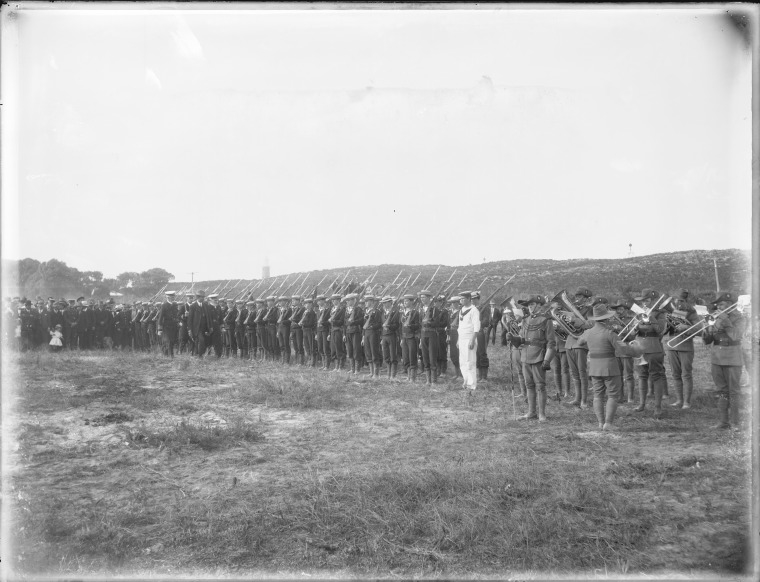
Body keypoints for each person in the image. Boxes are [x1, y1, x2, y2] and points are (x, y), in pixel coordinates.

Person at [576, 303, 644, 430]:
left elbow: (579, 342)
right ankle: (608, 423)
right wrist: (638, 350)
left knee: (597, 395)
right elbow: (624, 350)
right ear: (606, 319)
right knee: (613, 395)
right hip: (610, 368)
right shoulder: (610, 334)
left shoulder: (587, 332)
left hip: (594, 368)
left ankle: (601, 423)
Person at [508, 295, 556, 421]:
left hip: (539, 355)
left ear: (539, 305)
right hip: (525, 355)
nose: (529, 308)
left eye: (532, 305)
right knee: (529, 385)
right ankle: (531, 412)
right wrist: (513, 339)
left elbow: (551, 342)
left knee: (540, 385)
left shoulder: (546, 320)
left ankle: (542, 414)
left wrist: (547, 360)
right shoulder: (525, 319)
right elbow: (522, 339)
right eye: (528, 306)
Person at [702, 292, 746, 429]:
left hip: (733, 357)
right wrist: (707, 329)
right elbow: (707, 341)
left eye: (721, 304)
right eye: (718, 304)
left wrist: (726, 320)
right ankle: (723, 421)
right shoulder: (716, 317)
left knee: (733, 391)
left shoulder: (740, 318)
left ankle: (735, 423)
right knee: (721, 390)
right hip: (717, 357)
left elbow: (736, 336)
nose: (718, 307)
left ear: (730, 304)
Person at [630, 289, 668, 418]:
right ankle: (641, 404)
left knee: (656, 377)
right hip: (640, 347)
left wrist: (651, 317)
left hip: (653, 348)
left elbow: (660, 331)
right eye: (642, 301)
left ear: (654, 301)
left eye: (646, 300)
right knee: (642, 376)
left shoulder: (660, 314)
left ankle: (658, 407)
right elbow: (631, 334)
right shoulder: (638, 313)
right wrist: (635, 326)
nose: (644, 303)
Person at [663, 289, 701, 409]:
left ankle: (687, 402)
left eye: (681, 300)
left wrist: (686, 327)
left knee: (686, 375)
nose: (678, 302)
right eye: (676, 300)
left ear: (685, 300)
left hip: (685, 345)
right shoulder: (670, 311)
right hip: (672, 345)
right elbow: (663, 332)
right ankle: (679, 400)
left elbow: (700, 330)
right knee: (675, 374)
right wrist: (667, 324)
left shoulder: (691, 312)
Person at [565, 287, 595, 409]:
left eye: (580, 297)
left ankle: (584, 400)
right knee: (574, 373)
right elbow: (566, 325)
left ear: (587, 299)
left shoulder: (590, 310)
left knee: (582, 372)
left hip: (581, 343)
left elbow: (591, 324)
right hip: (570, 342)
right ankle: (577, 398)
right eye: (577, 296)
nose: (577, 299)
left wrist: (575, 320)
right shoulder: (572, 310)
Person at [457, 291, 480, 390]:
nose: (461, 300)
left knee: (470, 361)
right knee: (462, 362)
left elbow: (476, 327)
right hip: (462, 338)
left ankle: (472, 384)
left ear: (468, 299)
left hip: (469, 338)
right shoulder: (461, 310)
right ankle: (466, 381)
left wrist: (472, 340)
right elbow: (460, 326)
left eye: (463, 298)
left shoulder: (474, 310)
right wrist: (458, 339)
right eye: (460, 299)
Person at [418, 290, 440, 385]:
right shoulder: (421, 309)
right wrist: (420, 339)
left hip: (432, 334)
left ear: (429, 298)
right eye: (421, 297)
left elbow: (436, 323)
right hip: (423, 334)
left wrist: (428, 322)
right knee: (425, 356)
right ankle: (428, 380)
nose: (422, 299)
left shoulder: (435, 309)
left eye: (424, 297)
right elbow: (420, 324)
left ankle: (434, 380)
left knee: (432, 357)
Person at [400, 294, 420, 382]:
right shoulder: (403, 312)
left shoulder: (415, 312)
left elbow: (418, 325)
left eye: (407, 301)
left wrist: (410, 325)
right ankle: (408, 375)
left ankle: (412, 377)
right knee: (405, 357)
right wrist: (401, 338)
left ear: (412, 302)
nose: (405, 302)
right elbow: (401, 326)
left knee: (412, 356)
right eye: (404, 301)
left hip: (412, 336)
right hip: (404, 337)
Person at [187, 289, 212, 358]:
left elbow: (208, 317)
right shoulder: (193, 306)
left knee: (201, 341)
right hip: (196, 328)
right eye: (202, 297)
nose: (203, 298)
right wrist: (190, 329)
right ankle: (200, 355)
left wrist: (210, 327)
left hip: (205, 327)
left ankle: (197, 353)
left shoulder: (205, 305)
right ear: (198, 297)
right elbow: (190, 319)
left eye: (204, 297)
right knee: (201, 340)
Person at [362, 294, 382, 378]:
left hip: (373, 333)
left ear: (371, 302)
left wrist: (371, 327)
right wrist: (363, 336)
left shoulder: (376, 311)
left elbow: (379, 324)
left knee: (374, 352)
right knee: (368, 352)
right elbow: (364, 325)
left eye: (367, 301)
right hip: (366, 333)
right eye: (365, 301)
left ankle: (376, 373)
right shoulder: (365, 311)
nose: (366, 303)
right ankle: (371, 372)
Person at [344, 293, 364, 375]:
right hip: (348, 331)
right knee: (350, 350)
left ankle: (357, 369)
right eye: (347, 301)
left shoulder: (358, 309)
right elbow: (344, 321)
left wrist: (353, 322)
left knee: (356, 350)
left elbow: (361, 320)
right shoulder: (346, 310)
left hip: (356, 331)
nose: (348, 302)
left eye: (349, 300)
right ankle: (352, 368)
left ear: (353, 300)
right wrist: (344, 333)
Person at [380, 295, 400, 379]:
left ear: (390, 302)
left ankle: (393, 375)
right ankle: (388, 373)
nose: (384, 304)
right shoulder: (383, 312)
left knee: (393, 355)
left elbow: (397, 325)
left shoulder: (395, 311)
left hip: (392, 334)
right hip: (384, 335)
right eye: (383, 303)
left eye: (385, 303)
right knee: (386, 355)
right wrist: (381, 337)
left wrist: (389, 326)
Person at [471, 291, 490, 381]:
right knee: (475, 353)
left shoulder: (484, 307)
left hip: (480, 332)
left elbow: (486, 321)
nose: (472, 301)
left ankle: (484, 376)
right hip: (472, 333)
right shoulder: (471, 309)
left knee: (482, 353)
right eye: (471, 299)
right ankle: (479, 375)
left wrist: (476, 324)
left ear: (478, 299)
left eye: (474, 299)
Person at [157, 290, 179, 358]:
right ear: (168, 298)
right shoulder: (164, 305)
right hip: (166, 326)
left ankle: (166, 353)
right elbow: (160, 318)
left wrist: (178, 321)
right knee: (169, 341)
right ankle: (171, 355)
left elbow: (177, 315)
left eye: (173, 297)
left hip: (174, 326)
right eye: (172, 297)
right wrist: (159, 329)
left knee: (172, 341)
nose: (173, 298)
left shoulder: (175, 305)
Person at [328, 293, 346, 371]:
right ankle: (336, 366)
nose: (333, 301)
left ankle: (340, 366)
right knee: (333, 348)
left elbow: (342, 321)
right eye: (332, 300)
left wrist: (334, 320)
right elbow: (330, 324)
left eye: (335, 300)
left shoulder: (342, 309)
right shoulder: (332, 309)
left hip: (339, 330)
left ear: (339, 300)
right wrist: (329, 333)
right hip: (332, 330)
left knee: (339, 348)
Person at [300, 297, 318, 367]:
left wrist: (303, 323)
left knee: (312, 346)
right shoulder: (304, 312)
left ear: (311, 305)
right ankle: (309, 360)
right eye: (306, 304)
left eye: (309, 304)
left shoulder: (312, 313)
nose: (307, 305)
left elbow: (311, 323)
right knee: (307, 346)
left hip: (310, 330)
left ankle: (313, 363)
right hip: (304, 330)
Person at [316, 294, 331, 370]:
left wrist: (323, 323)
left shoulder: (328, 310)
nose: (318, 302)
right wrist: (316, 333)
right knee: (320, 348)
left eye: (320, 300)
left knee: (326, 348)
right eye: (318, 301)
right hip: (319, 330)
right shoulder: (318, 310)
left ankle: (327, 365)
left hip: (325, 330)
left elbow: (329, 322)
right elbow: (317, 322)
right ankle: (323, 364)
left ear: (323, 301)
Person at [448, 296, 462, 379]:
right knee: (453, 354)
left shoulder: (461, 312)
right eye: (452, 303)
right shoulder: (450, 312)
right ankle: (457, 373)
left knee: (459, 353)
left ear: (458, 303)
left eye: (455, 303)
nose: (453, 304)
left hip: (458, 333)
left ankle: (460, 374)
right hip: (451, 333)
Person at [289, 295, 305, 365]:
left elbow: (301, 319)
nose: (293, 302)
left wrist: (294, 320)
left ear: (298, 301)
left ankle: (301, 361)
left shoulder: (302, 309)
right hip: (293, 328)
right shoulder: (294, 309)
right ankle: (296, 360)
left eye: (294, 300)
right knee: (295, 345)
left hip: (299, 329)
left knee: (299, 345)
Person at [276, 296, 292, 364]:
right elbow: (277, 322)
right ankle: (283, 359)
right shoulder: (279, 310)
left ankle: (287, 360)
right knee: (281, 344)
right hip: (280, 328)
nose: (280, 302)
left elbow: (290, 321)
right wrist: (277, 331)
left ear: (286, 302)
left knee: (286, 344)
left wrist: (283, 321)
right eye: (280, 301)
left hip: (286, 328)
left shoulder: (289, 310)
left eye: (282, 301)